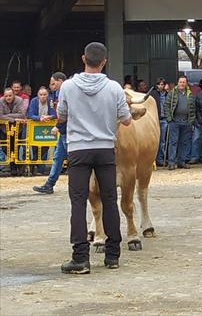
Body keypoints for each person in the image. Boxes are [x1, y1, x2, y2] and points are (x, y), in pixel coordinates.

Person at [57, 42, 134, 274]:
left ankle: (80, 258)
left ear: (83, 59)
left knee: (78, 202)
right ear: (104, 62)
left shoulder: (68, 86)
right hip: (105, 149)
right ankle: (112, 255)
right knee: (110, 199)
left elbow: (61, 116)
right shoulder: (114, 88)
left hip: (78, 149)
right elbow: (127, 119)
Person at [33, 72, 68, 194]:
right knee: (58, 158)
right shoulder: (58, 94)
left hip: (67, 130)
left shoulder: (66, 93)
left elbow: (65, 113)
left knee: (74, 160)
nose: (51, 86)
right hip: (64, 131)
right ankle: (49, 184)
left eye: (53, 83)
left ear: (60, 81)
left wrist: (57, 126)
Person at [164, 75, 195, 171]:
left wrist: (191, 120)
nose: (182, 84)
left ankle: (182, 161)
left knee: (184, 142)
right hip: (174, 121)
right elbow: (166, 106)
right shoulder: (172, 93)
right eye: (180, 82)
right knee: (173, 142)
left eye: (184, 82)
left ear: (186, 83)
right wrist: (169, 119)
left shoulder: (190, 94)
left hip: (186, 121)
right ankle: (171, 162)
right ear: (178, 83)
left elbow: (193, 108)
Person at [27, 86, 56, 175]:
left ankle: (41, 170)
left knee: (45, 148)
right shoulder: (34, 101)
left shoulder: (50, 101)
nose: (43, 96)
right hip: (35, 126)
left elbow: (54, 114)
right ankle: (33, 166)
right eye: (41, 95)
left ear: (48, 95)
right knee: (35, 148)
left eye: (45, 94)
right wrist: (40, 118)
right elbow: (30, 114)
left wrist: (49, 117)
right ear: (38, 95)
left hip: (47, 127)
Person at [0, 88, 27, 170]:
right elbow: (0, 116)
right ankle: (14, 166)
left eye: (10, 95)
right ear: (4, 96)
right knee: (6, 148)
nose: (8, 97)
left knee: (16, 147)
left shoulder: (20, 100)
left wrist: (7, 116)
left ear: (14, 95)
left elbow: (22, 115)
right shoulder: (0, 101)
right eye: (6, 96)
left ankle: (15, 168)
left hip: (18, 128)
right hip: (4, 129)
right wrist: (14, 119)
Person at [149, 78, 168, 167]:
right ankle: (153, 160)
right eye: (159, 84)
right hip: (155, 119)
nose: (161, 86)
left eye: (162, 84)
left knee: (162, 141)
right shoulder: (152, 94)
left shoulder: (167, 94)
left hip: (164, 119)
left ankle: (161, 159)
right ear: (156, 85)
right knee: (154, 140)